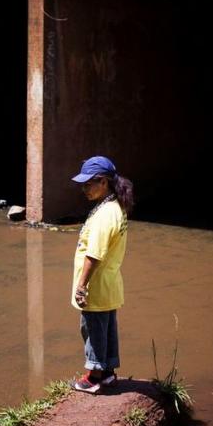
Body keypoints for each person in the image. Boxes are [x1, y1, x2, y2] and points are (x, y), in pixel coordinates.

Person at [70, 155, 134, 394]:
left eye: (89, 183)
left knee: (92, 327)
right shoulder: (115, 207)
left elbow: (94, 254)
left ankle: (93, 377)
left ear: (104, 182)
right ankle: (107, 373)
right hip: (109, 282)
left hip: (96, 283)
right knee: (106, 327)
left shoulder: (106, 214)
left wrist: (81, 286)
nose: (84, 188)